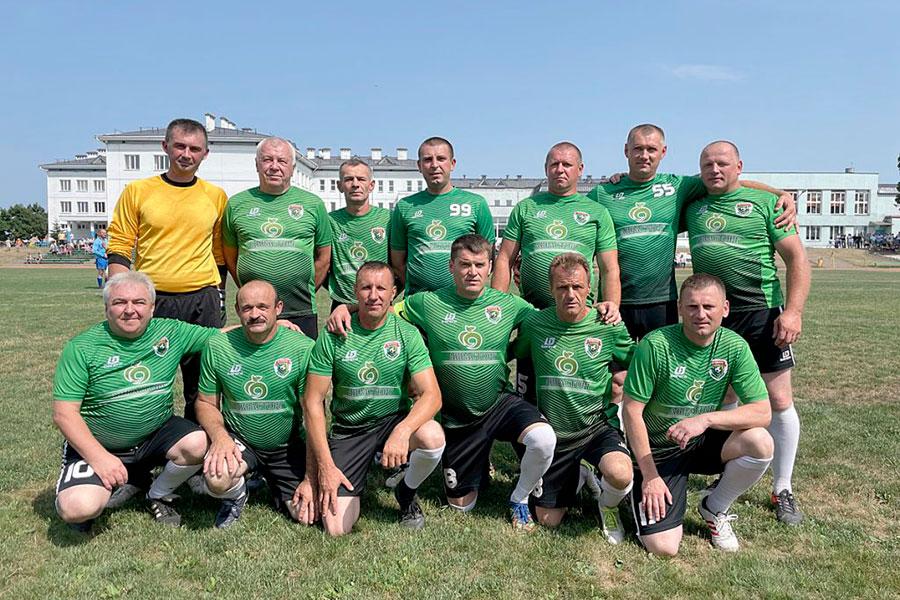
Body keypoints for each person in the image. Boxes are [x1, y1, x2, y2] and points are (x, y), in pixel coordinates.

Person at [685, 140, 810, 525]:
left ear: (739, 166)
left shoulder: (765, 205)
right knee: (724, 394)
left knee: (778, 398)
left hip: (761, 314)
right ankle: (729, 468)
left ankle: (783, 488)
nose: (715, 169)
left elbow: (797, 259)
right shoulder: (692, 204)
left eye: (723, 163)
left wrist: (793, 312)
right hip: (714, 317)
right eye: (708, 164)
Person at [395, 234, 556, 531]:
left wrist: (601, 310)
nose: (473, 272)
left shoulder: (509, 304)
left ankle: (519, 498)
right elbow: (383, 313)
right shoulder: (427, 302)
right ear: (451, 266)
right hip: (456, 418)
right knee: (461, 507)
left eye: (480, 265)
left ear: (490, 267)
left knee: (544, 439)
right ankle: (477, 462)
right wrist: (346, 309)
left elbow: (551, 319)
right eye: (465, 264)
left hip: (498, 403)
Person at [587, 124, 797, 341]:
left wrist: (780, 194)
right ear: (626, 151)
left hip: (662, 302)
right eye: (638, 148)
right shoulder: (603, 193)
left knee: (660, 360)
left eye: (651, 149)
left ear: (663, 152)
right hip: (615, 301)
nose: (644, 155)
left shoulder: (678, 186)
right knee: (615, 362)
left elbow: (730, 181)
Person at [623, 274, 774, 555]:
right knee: (664, 547)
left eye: (709, 306)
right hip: (658, 450)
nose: (700, 314)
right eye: (692, 307)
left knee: (760, 441)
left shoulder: (734, 346)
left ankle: (714, 507)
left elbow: (762, 412)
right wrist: (651, 476)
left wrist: (705, 419)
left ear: (725, 309)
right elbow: (632, 411)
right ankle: (632, 485)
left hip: (700, 440)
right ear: (679, 308)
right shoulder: (655, 345)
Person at [52, 272, 213, 532]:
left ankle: (157, 491)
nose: (130, 310)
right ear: (106, 308)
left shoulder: (171, 331)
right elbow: (64, 414)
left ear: (152, 308)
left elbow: (221, 336)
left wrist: (274, 327)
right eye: (119, 303)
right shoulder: (81, 347)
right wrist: (99, 458)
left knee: (198, 443)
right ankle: (119, 480)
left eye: (139, 302)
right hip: (101, 444)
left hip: (153, 437)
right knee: (77, 509)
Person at [303, 262, 445, 535]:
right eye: (366, 288)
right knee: (335, 528)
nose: (373, 295)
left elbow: (433, 396)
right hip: (350, 430)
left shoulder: (407, 333)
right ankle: (358, 471)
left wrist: (402, 431)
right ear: (355, 292)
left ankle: (406, 491)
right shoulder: (333, 335)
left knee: (432, 436)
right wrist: (325, 466)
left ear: (393, 293)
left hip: (392, 421)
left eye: (381, 288)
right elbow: (312, 402)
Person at [107, 118, 228, 423]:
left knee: (203, 384)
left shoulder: (215, 196)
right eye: (180, 146)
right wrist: (119, 297)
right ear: (165, 146)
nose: (186, 154)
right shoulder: (138, 191)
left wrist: (220, 295)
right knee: (145, 379)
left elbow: (219, 253)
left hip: (202, 299)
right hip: (153, 300)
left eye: (195, 149)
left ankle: (201, 440)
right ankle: (142, 438)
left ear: (205, 154)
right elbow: (120, 243)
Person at [513, 253, 635, 543]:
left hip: (596, 429)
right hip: (556, 436)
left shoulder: (608, 325)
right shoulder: (535, 324)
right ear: (551, 289)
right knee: (548, 520)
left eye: (577, 287)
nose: (570, 294)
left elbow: (637, 365)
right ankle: (579, 474)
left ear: (589, 288)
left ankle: (608, 505)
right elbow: (513, 355)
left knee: (620, 474)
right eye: (562, 287)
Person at [196, 280, 316, 528]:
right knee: (217, 478)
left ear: (278, 308)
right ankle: (236, 494)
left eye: (262, 307)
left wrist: (310, 476)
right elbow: (205, 404)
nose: (254, 314)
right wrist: (220, 437)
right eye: (247, 308)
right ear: (237, 311)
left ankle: (276, 482)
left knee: (307, 517)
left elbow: (313, 412)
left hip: (287, 446)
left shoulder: (302, 348)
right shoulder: (217, 346)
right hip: (241, 442)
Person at [493, 142, 620, 320]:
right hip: (532, 314)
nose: (560, 170)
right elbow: (505, 259)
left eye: (567, 164)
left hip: (579, 315)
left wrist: (611, 305)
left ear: (580, 169)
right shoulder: (525, 208)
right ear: (546, 169)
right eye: (554, 164)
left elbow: (609, 268)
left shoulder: (598, 212)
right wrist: (497, 303)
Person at [223, 137, 332, 339]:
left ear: (292, 167)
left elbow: (324, 257)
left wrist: (305, 286)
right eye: (267, 160)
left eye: (282, 161)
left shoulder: (313, 204)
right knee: (255, 358)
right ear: (257, 164)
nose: (274, 167)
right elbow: (231, 257)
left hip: (301, 309)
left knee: (302, 358)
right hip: (255, 310)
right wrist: (254, 291)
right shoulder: (236, 204)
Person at [389, 137, 495, 295]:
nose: (434, 165)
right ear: (419, 166)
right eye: (427, 160)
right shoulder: (405, 206)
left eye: (441, 158)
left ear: (452, 164)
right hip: (419, 301)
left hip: (462, 302)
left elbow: (487, 255)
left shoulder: (476, 203)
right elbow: (398, 262)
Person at [327, 159, 391, 311]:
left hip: (379, 303)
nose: (355, 184)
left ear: (371, 185)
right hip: (342, 305)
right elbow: (322, 264)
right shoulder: (329, 221)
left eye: (361, 179)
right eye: (349, 179)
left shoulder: (389, 219)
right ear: (339, 186)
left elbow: (400, 264)